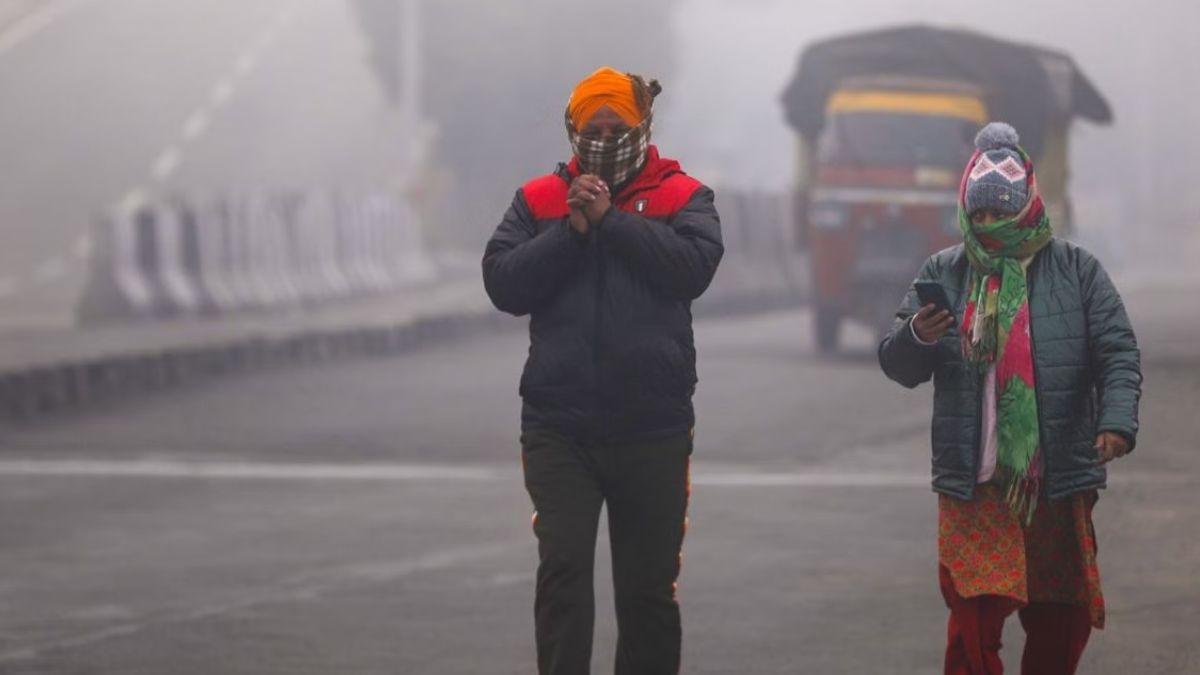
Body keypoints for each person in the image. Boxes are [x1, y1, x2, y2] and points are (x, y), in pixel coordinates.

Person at [482, 66, 723, 675]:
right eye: (595, 127)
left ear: (642, 126)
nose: (606, 136)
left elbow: (692, 268)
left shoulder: (684, 195)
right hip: (559, 427)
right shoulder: (538, 199)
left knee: (646, 592)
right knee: (562, 574)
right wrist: (574, 230)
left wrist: (612, 221)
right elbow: (504, 283)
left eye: (619, 125)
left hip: (654, 429)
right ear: (572, 129)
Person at [878, 122, 1142, 675]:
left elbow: (1117, 352)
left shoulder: (1078, 271)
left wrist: (1116, 421)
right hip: (975, 482)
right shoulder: (944, 271)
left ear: (1027, 207)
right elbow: (898, 364)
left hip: (1056, 476)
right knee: (973, 615)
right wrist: (919, 335)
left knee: (1058, 613)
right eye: (979, 215)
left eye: (1000, 213)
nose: (988, 225)